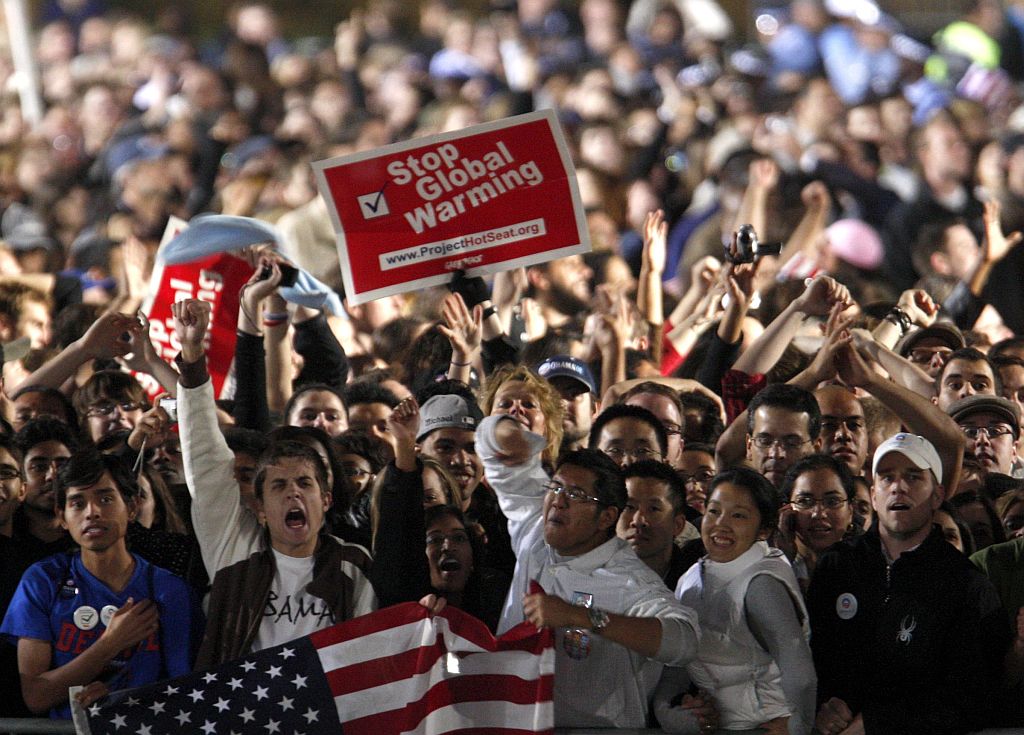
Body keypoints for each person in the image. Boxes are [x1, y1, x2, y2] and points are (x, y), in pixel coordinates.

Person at [173, 299, 375, 667]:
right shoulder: (233, 549)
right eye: (279, 486)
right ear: (261, 508)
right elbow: (204, 456)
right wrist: (191, 357)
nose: (294, 491)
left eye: (304, 483)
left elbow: (364, 660)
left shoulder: (352, 563)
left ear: (326, 499)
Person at [476, 411, 699, 728]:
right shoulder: (535, 533)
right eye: (555, 488)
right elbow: (494, 451)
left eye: (576, 495)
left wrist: (582, 617)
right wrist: (505, 431)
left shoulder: (628, 579)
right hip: (511, 722)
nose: (558, 502)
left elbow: (684, 640)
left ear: (607, 518)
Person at [808, 433, 1008, 735]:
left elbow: (974, 696)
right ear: (874, 496)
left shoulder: (965, 584)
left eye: (913, 477)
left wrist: (879, 723)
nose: (898, 487)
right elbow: (811, 658)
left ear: (937, 496)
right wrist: (823, 705)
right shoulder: (837, 567)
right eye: (887, 478)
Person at [0, 449, 198, 718]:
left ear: (131, 508)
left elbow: (185, 692)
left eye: (105, 499)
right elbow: (36, 695)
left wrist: (121, 702)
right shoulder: (42, 581)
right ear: (62, 516)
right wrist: (110, 644)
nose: (92, 512)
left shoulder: (167, 590)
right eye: (77, 503)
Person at [658, 467, 816, 735]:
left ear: (764, 529)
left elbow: (801, 677)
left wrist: (799, 727)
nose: (722, 523)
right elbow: (679, 661)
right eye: (714, 511)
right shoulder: (691, 577)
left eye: (739, 515)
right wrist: (671, 711)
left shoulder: (762, 584)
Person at [777, 454, 860, 592]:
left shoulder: (870, 566)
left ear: (850, 511)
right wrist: (783, 560)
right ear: (786, 510)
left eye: (832, 501)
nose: (819, 514)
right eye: (804, 501)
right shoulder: (775, 565)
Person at [617, 459, 692, 588]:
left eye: (653, 509)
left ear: (678, 525)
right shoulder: (590, 574)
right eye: (629, 507)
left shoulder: (694, 584)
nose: (638, 521)